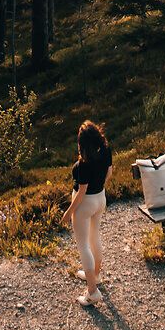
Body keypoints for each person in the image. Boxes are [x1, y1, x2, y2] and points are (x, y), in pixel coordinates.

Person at [63, 118, 111, 307]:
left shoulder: (83, 164)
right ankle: (95, 275)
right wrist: (100, 186)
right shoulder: (105, 150)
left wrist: (69, 212)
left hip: (85, 204)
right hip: (100, 198)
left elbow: (81, 192)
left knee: (83, 245)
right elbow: (109, 172)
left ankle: (92, 291)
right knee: (94, 237)